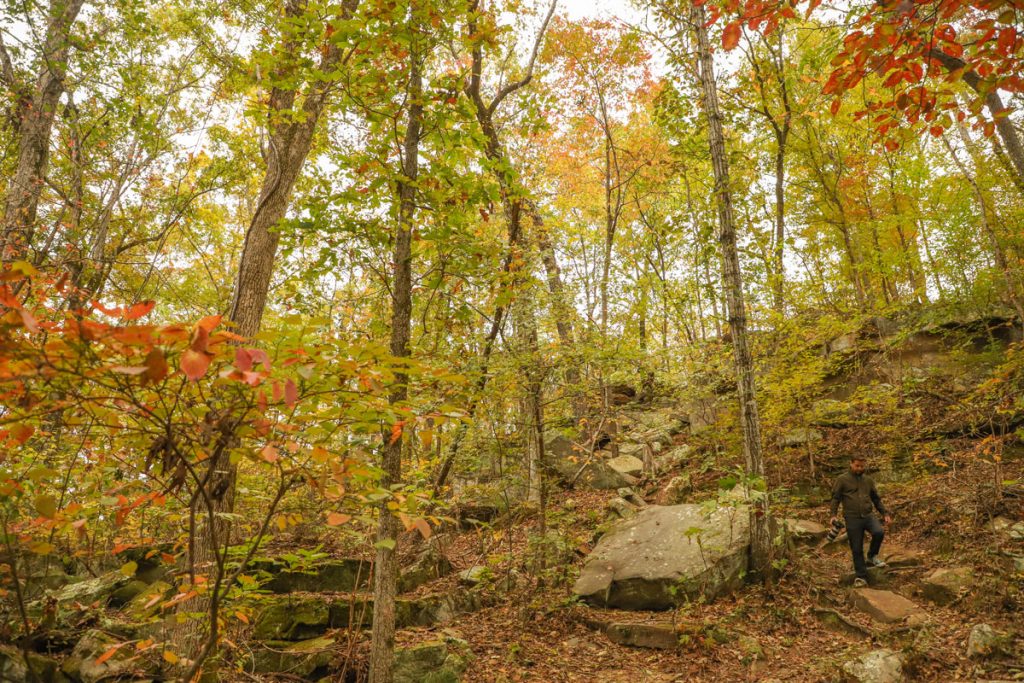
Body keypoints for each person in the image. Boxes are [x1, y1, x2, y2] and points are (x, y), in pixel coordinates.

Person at [830, 456, 892, 587]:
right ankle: (861, 577)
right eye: (857, 466)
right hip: (852, 518)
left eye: (862, 466)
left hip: (868, 516)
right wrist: (833, 515)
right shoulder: (842, 479)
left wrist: (884, 513)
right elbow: (835, 498)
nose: (860, 468)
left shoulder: (868, 480)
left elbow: (876, 499)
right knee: (856, 548)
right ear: (851, 464)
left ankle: (872, 556)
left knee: (879, 532)